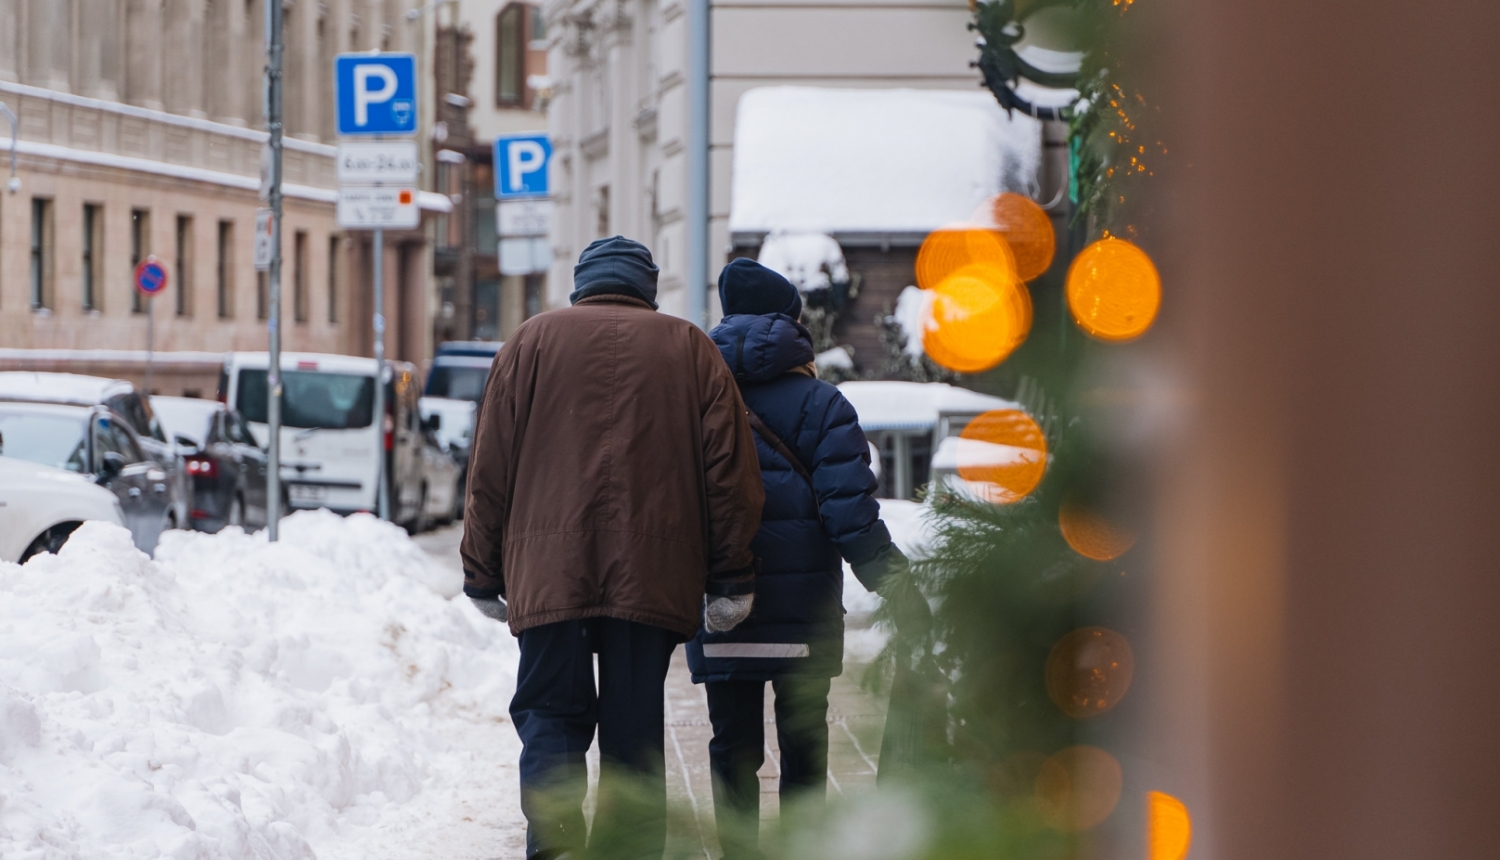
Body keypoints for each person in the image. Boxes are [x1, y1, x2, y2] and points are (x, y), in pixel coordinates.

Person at [460, 237, 766, 860]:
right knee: (634, 729)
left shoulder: (530, 342)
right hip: (652, 574)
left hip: (549, 572)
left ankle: (555, 844)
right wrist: (731, 577)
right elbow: (730, 477)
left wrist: (481, 573)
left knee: (549, 712)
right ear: (647, 289)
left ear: (581, 283)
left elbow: (489, 467)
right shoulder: (691, 349)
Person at [686, 258, 928, 859]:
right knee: (803, 748)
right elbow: (850, 516)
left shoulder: (696, 400)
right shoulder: (824, 406)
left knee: (732, 749)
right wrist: (898, 586)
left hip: (723, 609)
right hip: (803, 620)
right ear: (792, 325)